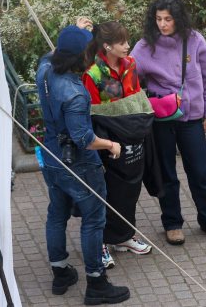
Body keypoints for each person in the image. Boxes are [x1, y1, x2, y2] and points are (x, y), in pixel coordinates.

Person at [35, 19, 130, 305]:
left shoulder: (45, 69)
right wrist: (111, 145)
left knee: (57, 213)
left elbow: (54, 52)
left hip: (51, 157)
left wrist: (76, 31)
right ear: (81, 58)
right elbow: (83, 138)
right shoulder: (75, 94)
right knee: (93, 220)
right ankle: (96, 283)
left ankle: (60, 273)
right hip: (79, 165)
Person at [130, 0, 206, 245]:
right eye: (159, 19)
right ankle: (172, 223)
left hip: (192, 119)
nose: (163, 24)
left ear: (179, 19)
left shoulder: (195, 41)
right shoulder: (143, 47)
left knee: (200, 172)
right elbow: (128, 80)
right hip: (161, 121)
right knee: (165, 174)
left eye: (168, 19)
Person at [82, 21, 156, 269]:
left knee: (130, 191)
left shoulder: (131, 65)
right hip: (110, 141)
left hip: (132, 137)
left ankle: (123, 237)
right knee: (108, 192)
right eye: (122, 42)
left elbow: (134, 99)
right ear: (106, 46)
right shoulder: (92, 74)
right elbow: (93, 114)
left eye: (127, 41)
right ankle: (101, 242)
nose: (128, 46)